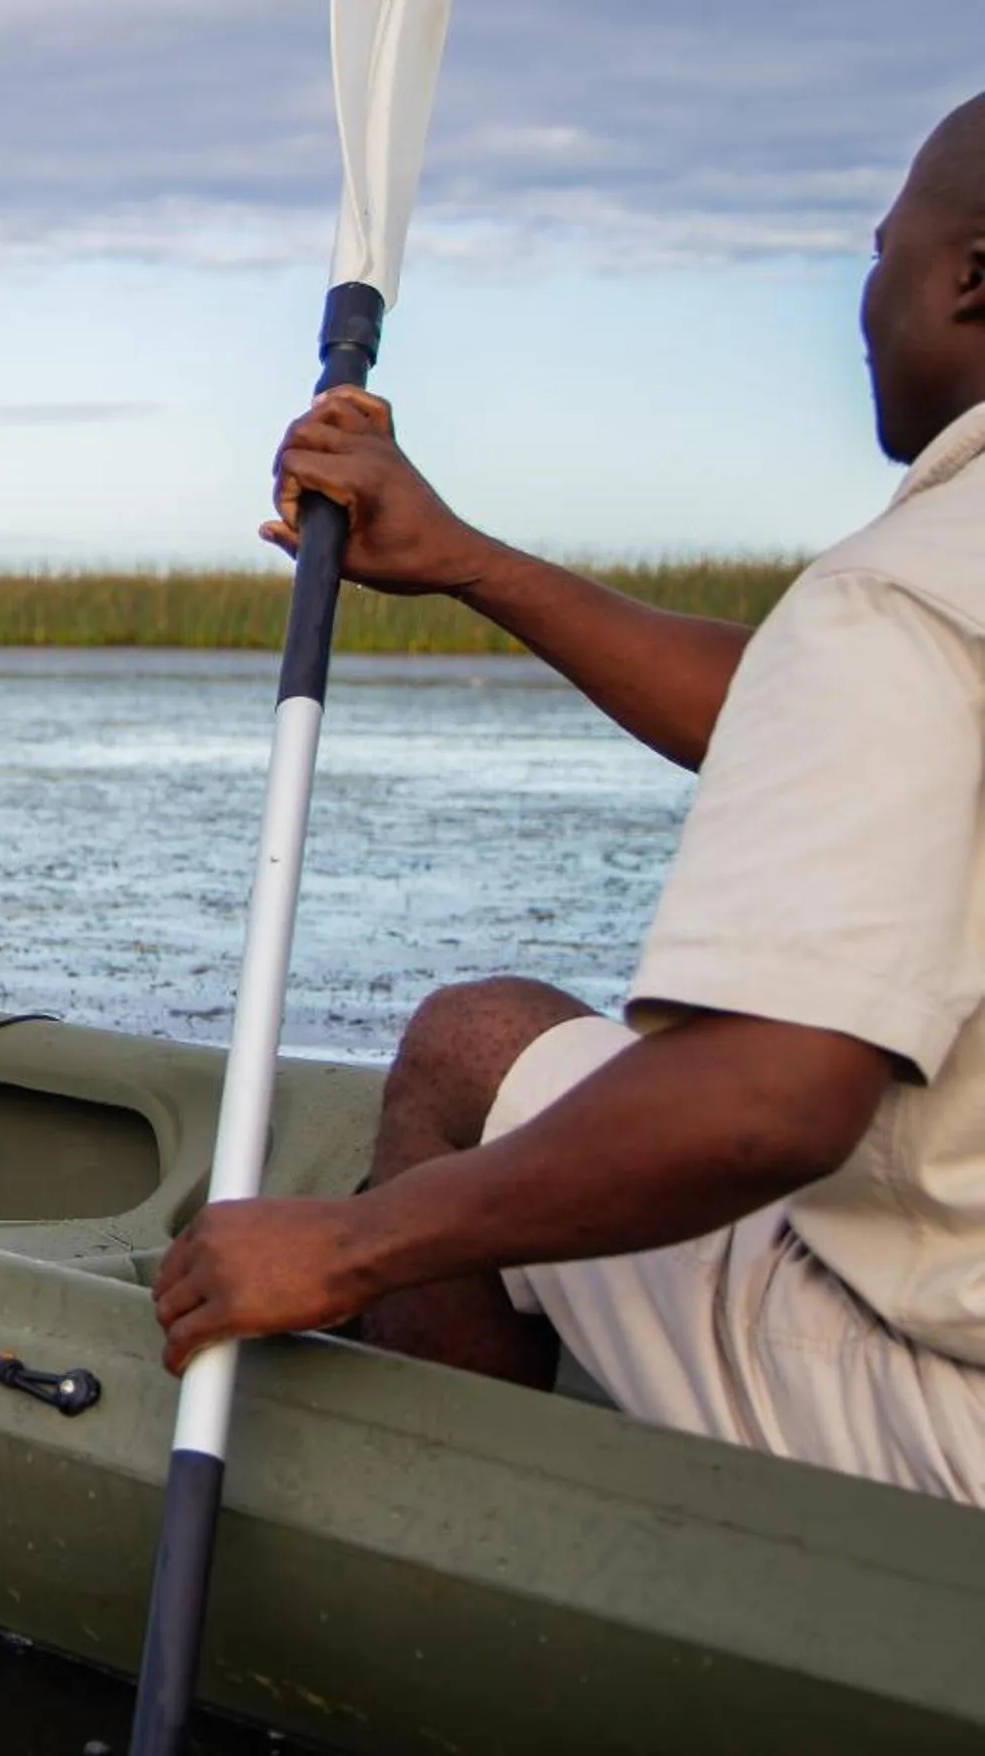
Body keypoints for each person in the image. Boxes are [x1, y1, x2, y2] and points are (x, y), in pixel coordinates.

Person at [152, 92, 985, 1504]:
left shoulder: (898, 596)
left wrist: (351, 1247)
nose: (862, 298)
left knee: (472, 1049)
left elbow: (764, 1107)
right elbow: (798, 718)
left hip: (947, 1415)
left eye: (876, 250)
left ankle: (432, 1551)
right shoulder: (914, 609)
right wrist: (469, 560)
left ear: (966, 274)